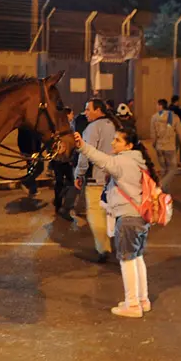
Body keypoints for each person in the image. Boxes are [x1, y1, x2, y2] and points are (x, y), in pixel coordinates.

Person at [73, 127, 158, 318]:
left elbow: (101, 160)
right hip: (140, 218)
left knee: (127, 261)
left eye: (117, 140)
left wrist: (82, 146)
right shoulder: (138, 160)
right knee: (137, 258)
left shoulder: (122, 161)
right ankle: (142, 300)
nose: (112, 143)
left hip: (127, 218)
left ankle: (132, 305)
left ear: (128, 145)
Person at [74, 99, 116, 263]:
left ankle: (103, 248)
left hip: (96, 177)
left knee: (95, 213)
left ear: (99, 110)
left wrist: (79, 173)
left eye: (88, 109)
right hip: (114, 177)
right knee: (111, 211)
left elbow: (85, 152)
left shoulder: (92, 128)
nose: (85, 112)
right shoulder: (114, 125)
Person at [150, 99, 181, 193]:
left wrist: (154, 144)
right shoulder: (174, 117)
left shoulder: (154, 117)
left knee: (163, 169)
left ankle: (164, 191)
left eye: (157, 105)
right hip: (170, 147)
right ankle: (161, 185)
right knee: (172, 169)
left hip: (159, 147)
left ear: (161, 106)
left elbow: (153, 134)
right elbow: (180, 133)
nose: (156, 107)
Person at [51, 107, 75, 220]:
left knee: (61, 182)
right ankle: (60, 204)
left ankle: (58, 203)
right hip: (64, 161)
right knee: (68, 182)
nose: (72, 116)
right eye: (71, 114)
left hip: (60, 161)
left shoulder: (59, 128)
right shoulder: (67, 129)